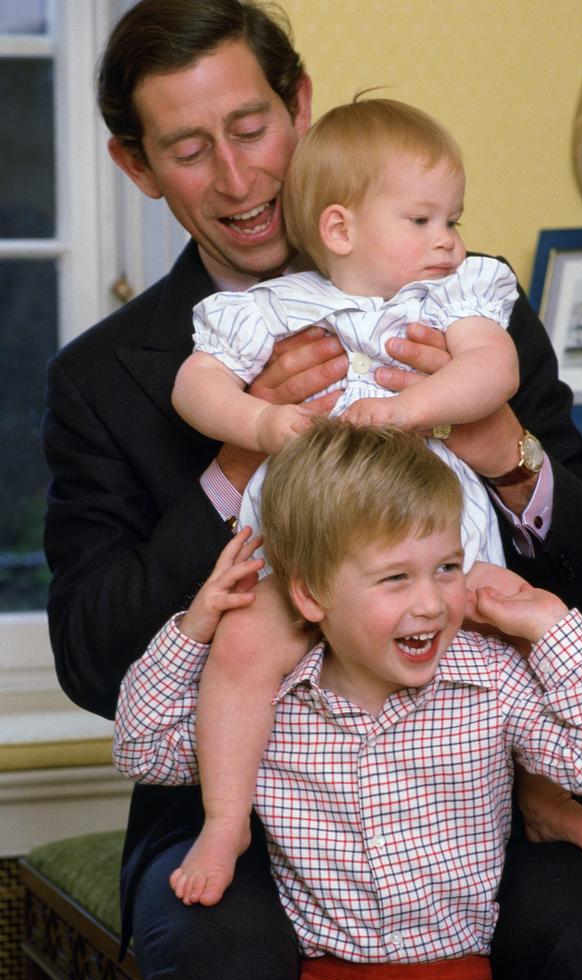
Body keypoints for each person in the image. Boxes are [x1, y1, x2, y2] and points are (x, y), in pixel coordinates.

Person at [41, 1, 582, 980]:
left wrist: (498, 451)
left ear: (300, 107)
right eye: (190, 150)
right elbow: (90, 659)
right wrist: (240, 456)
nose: (238, 181)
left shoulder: (457, 292)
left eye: (250, 129)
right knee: (224, 973)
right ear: (137, 167)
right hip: (235, 794)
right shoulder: (106, 378)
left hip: (479, 775)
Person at [113, 420, 582, 980]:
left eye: (447, 568)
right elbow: (142, 751)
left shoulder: (488, 679)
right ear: (311, 595)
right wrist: (194, 629)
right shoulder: (270, 708)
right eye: (395, 578)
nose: (431, 604)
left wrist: (551, 625)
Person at [166, 95, 527, 908]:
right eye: (425, 219)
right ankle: (226, 820)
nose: (451, 240)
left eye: (454, 219)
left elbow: (492, 371)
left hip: (432, 543)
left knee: (509, 643)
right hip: (305, 548)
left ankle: (542, 798)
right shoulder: (274, 309)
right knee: (242, 651)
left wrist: (407, 410)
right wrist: (260, 420)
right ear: (340, 229)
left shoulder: (456, 295)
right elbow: (196, 383)